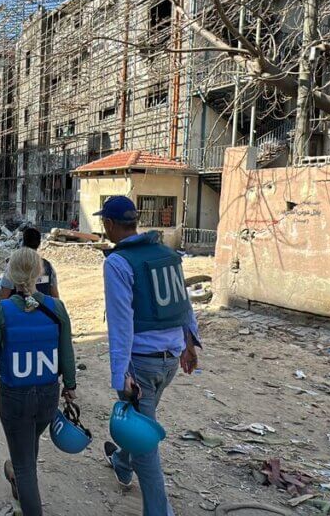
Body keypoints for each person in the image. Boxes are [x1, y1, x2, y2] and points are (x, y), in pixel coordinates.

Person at [95, 196, 200, 516]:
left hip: (141, 363)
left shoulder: (118, 263)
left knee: (144, 443)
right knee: (140, 421)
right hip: (170, 359)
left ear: (109, 225)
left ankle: (159, 511)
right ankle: (121, 463)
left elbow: (120, 323)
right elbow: (183, 302)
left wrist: (121, 373)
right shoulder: (167, 254)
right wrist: (190, 342)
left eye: (104, 224)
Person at [0, 247, 77, 516]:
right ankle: (19, 478)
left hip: (14, 397)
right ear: (39, 272)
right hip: (47, 395)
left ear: (10, 275)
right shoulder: (56, 307)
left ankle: (25, 490)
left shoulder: (1, 311)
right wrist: (71, 386)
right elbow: (66, 351)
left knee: (25, 466)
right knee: (29, 445)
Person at [0, 227, 59, 300]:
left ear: (23, 242)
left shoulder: (14, 264)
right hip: (42, 309)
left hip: (17, 309)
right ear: (39, 244)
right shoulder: (48, 266)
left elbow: (4, 294)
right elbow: (55, 296)